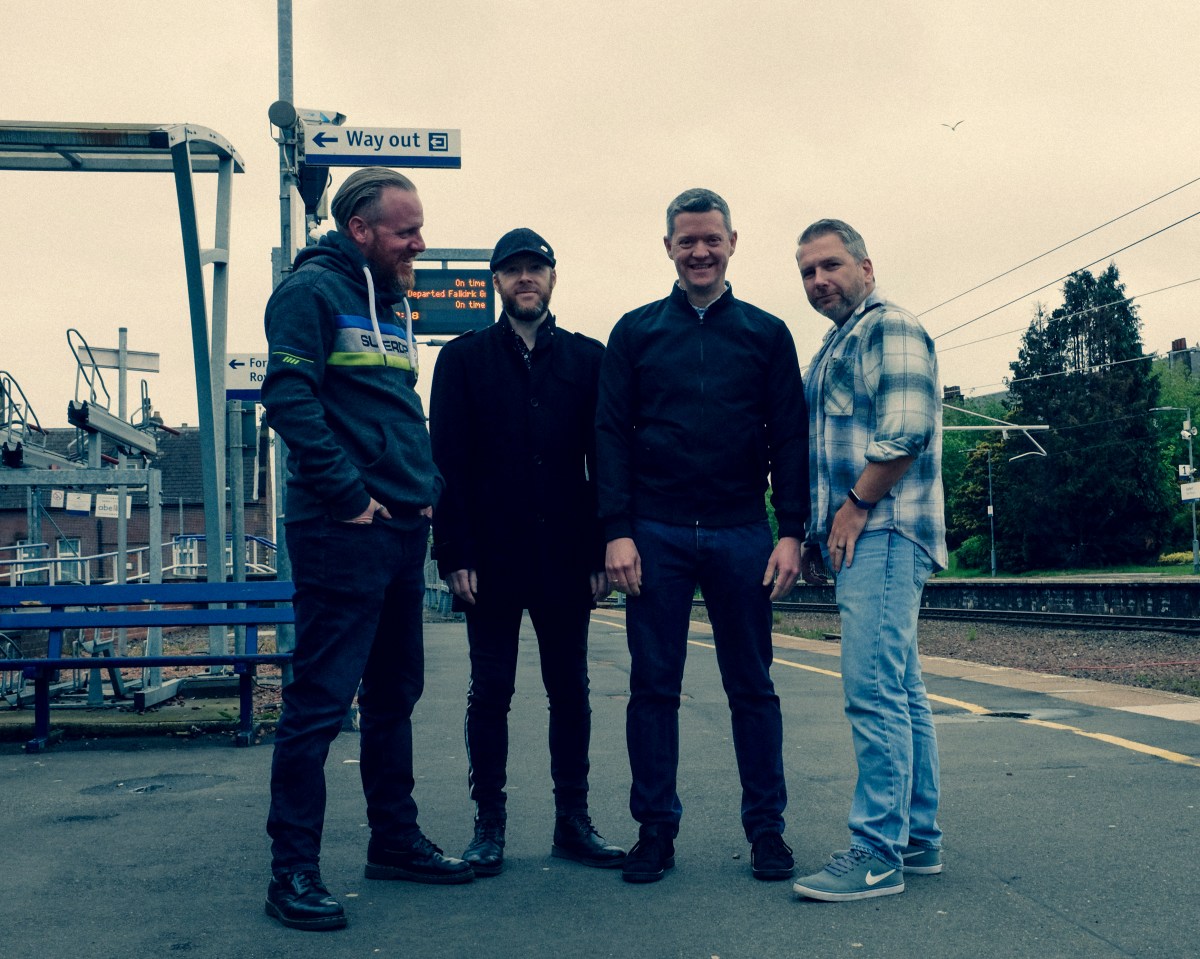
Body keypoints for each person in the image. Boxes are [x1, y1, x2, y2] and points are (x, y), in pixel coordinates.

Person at [261, 168, 472, 932]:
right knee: (320, 703)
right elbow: (288, 399)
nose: (419, 242)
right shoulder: (310, 293)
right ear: (359, 229)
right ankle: (292, 871)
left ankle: (394, 840)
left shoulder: (395, 302)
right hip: (341, 530)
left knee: (393, 694)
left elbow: (396, 407)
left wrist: (425, 484)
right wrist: (351, 496)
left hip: (400, 528)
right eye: (405, 230)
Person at [596, 188, 809, 883]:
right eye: (686, 241)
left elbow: (790, 437)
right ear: (668, 247)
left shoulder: (767, 334)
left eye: (711, 239)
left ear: (732, 243)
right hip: (653, 531)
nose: (699, 252)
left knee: (752, 685)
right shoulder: (634, 333)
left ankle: (767, 831)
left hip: (741, 529)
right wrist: (616, 531)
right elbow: (610, 436)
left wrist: (791, 531)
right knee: (653, 687)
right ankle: (655, 831)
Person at [429, 228, 625, 876]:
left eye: (535, 268)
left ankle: (574, 821)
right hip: (490, 558)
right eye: (512, 270)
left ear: (552, 277)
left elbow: (605, 459)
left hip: (567, 556)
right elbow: (446, 463)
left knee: (570, 690)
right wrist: (453, 551)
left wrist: (603, 544)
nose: (525, 279)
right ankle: (489, 825)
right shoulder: (462, 360)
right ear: (496, 281)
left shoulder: (588, 359)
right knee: (491, 692)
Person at [791, 219, 947, 902]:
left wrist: (853, 507)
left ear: (866, 266)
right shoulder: (836, 343)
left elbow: (906, 430)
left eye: (830, 265)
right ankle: (916, 837)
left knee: (872, 690)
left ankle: (878, 853)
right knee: (901, 688)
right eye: (807, 272)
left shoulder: (890, 327)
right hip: (864, 534)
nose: (818, 280)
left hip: (884, 529)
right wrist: (815, 531)